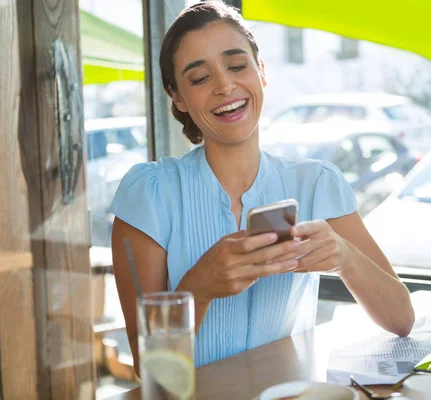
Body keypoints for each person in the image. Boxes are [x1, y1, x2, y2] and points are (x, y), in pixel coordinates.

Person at [111, 0, 415, 375]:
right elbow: (150, 368)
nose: (225, 85)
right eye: (200, 78)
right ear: (177, 97)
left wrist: (344, 256)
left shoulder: (317, 182)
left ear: (262, 73)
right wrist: (198, 288)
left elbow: (402, 319)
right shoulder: (150, 194)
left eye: (237, 66)